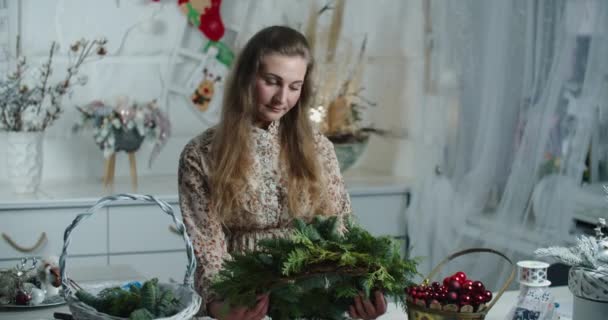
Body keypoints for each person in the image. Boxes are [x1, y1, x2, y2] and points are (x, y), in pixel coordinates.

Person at [178, 25, 387, 320]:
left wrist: (360, 288)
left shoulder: (319, 148)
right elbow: (209, 252)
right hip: (244, 296)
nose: (282, 98)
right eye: (272, 81)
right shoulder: (200, 154)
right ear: (246, 78)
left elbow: (343, 228)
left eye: (294, 86)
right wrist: (220, 306)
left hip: (317, 297)